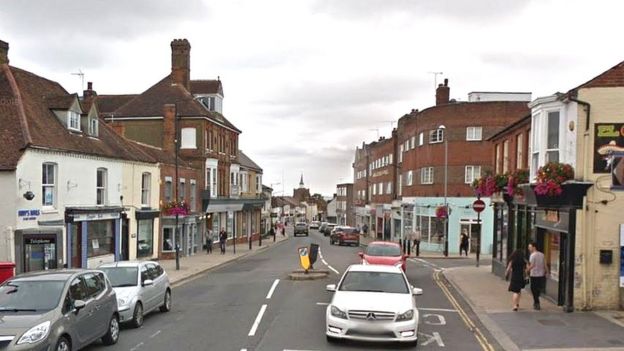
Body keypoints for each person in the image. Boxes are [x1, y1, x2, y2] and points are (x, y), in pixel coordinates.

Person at [528, 241, 548, 310]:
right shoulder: (542, 254)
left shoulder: (532, 255)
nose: (529, 248)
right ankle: (536, 301)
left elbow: (532, 265)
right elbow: (545, 264)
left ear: (534, 247)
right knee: (538, 288)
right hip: (541, 274)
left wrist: (526, 270)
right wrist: (547, 272)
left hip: (534, 274)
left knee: (533, 289)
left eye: (530, 247)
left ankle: (536, 302)